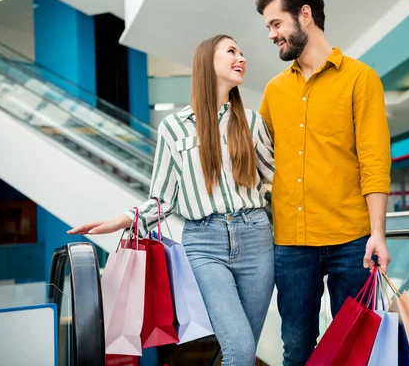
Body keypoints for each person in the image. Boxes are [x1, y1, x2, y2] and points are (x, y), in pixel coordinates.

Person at [68, 35, 275, 366]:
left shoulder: (250, 122)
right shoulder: (173, 128)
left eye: (242, 52)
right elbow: (163, 199)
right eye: (232, 51)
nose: (242, 58)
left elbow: (278, 177)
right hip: (204, 244)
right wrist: (122, 219)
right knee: (241, 349)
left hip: (256, 239)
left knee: (240, 350)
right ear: (207, 63)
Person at [255, 0, 392, 365]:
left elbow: (374, 162)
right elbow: (257, 160)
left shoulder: (360, 79)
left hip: (352, 241)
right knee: (296, 349)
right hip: (292, 244)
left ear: (305, 15)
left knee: (354, 348)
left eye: (276, 24)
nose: (271, 34)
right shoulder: (274, 91)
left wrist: (378, 234)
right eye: (268, 27)